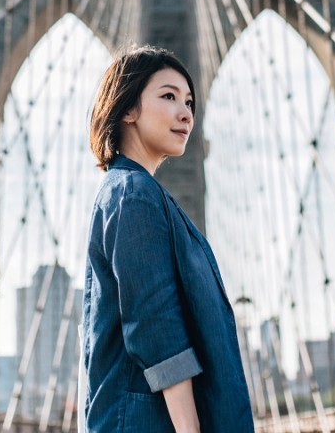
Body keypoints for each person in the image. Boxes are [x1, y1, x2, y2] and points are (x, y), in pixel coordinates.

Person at [81, 46, 253, 433]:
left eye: (189, 101)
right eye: (169, 96)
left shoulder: (131, 192)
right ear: (127, 109)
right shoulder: (134, 195)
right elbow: (156, 327)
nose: (186, 113)